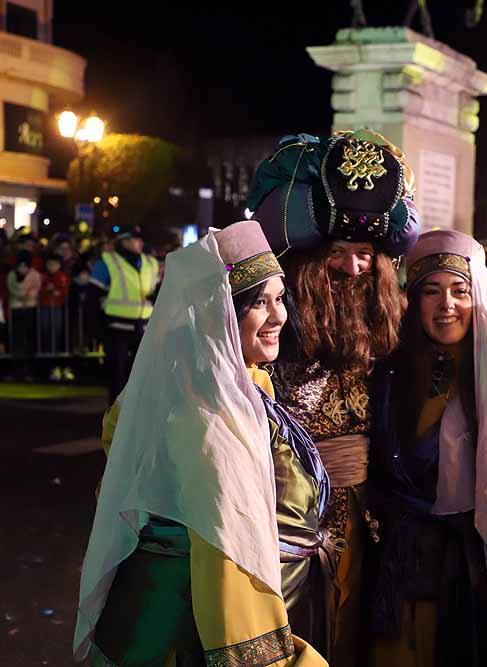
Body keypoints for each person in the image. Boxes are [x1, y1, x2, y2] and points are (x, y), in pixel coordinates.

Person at [76, 221, 331, 666]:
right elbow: (226, 561)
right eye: (258, 303)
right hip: (189, 630)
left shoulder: (233, 385)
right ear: (220, 314)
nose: (278, 316)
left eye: (279, 298)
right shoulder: (207, 422)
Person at [248, 130, 420, 666]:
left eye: (365, 255)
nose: (351, 269)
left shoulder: (391, 329)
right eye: (338, 253)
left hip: (368, 523)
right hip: (285, 526)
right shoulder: (272, 328)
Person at [367, 230, 487, 665]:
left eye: (461, 291)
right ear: (413, 299)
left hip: (471, 562)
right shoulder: (388, 376)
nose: (448, 306)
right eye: (432, 292)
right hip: (404, 561)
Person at [89, 226, 161, 402]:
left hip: (144, 327)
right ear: (123, 241)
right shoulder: (106, 262)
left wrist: (156, 294)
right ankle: (116, 414)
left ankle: (137, 412)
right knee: (117, 374)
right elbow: (92, 297)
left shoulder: (150, 263)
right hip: (116, 328)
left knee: (142, 375)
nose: (140, 243)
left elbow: (160, 290)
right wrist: (95, 327)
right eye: (135, 239)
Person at [7, 250, 41, 359]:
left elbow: (36, 287)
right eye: (20, 266)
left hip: (31, 306)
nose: (22, 268)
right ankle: (18, 355)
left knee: (31, 332)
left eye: (25, 266)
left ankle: (31, 354)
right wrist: (21, 296)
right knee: (18, 333)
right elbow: (11, 287)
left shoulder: (34, 274)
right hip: (16, 307)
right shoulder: (12, 275)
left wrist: (28, 296)